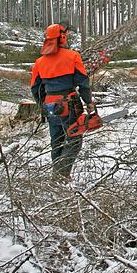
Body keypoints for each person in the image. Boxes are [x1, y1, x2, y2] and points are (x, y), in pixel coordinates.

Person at [30, 23, 95, 180]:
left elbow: (35, 88)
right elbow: (83, 82)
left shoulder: (39, 62)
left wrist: (42, 105)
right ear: (62, 37)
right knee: (74, 139)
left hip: (50, 106)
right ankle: (61, 174)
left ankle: (57, 174)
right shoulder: (73, 56)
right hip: (68, 105)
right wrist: (89, 102)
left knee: (56, 141)